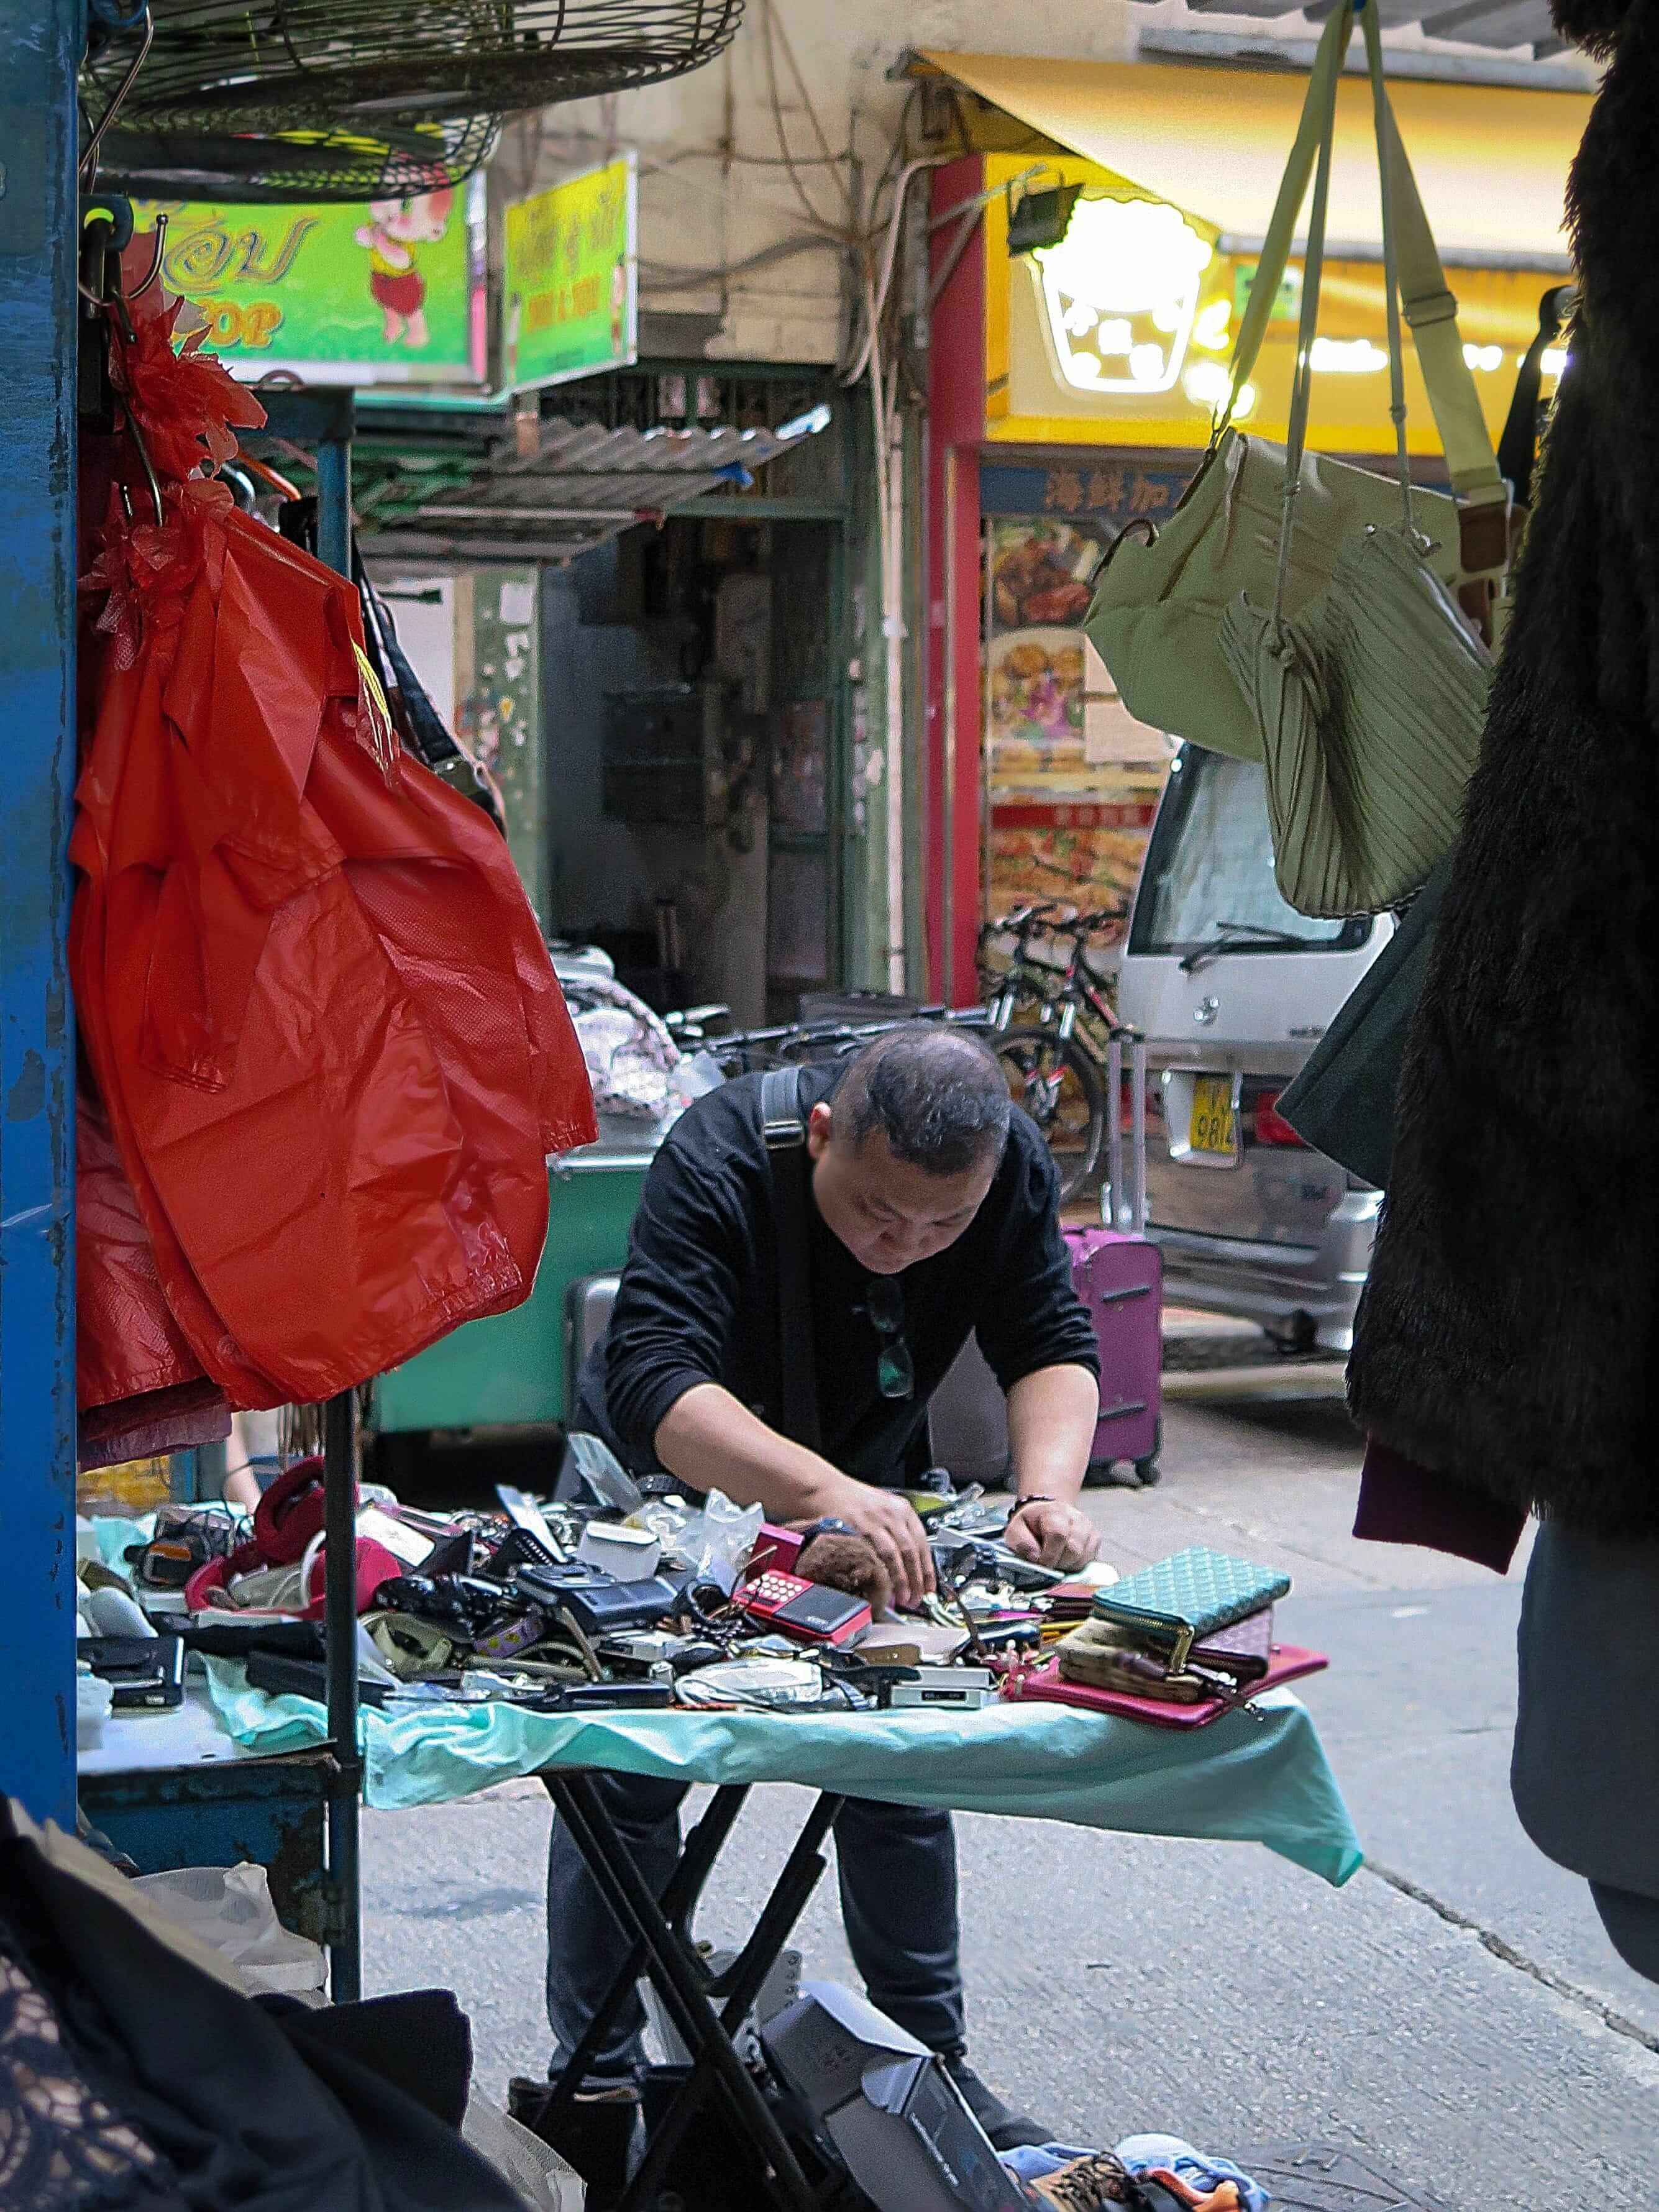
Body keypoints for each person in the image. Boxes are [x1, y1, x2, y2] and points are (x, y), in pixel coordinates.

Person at [524, 1025, 1103, 2189]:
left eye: (943, 1227)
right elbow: (648, 1379)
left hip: (863, 1497)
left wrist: (1044, 1496)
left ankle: (928, 2060)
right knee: (628, 1774)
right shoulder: (726, 1151)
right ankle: (595, 2075)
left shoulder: (1008, 1163)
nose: (909, 1246)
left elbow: (1050, 1340)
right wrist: (822, 1492)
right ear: (827, 1137)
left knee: (897, 1752)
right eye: (881, 1214)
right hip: (678, 1497)